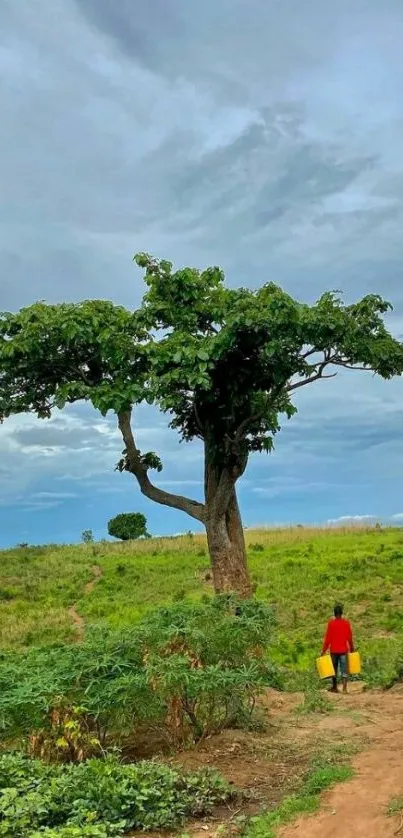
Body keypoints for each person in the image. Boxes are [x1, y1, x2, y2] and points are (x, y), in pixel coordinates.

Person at [322, 604, 354, 694]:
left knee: (334, 670)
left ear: (334, 613)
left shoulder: (331, 623)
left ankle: (335, 687)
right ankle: (344, 689)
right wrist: (352, 648)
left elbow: (327, 639)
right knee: (344, 670)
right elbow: (349, 637)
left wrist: (323, 651)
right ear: (341, 613)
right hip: (343, 650)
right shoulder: (346, 623)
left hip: (334, 651)